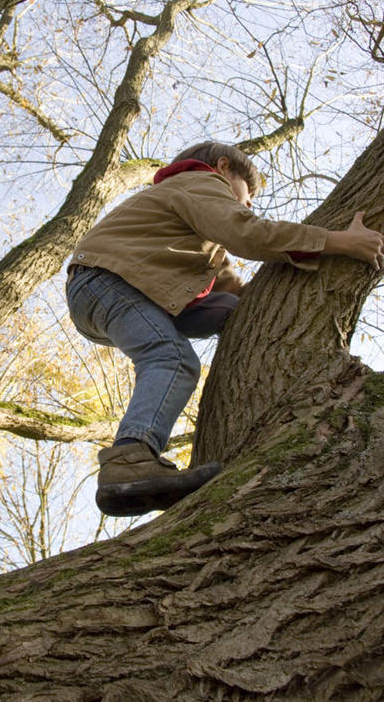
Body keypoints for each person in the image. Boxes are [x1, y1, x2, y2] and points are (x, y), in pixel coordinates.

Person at [66, 141, 384, 517]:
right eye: (247, 194)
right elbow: (245, 231)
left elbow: (228, 284)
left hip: (126, 290)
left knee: (233, 310)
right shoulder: (199, 182)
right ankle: (130, 457)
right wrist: (336, 242)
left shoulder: (194, 231)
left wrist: (257, 304)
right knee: (173, 359)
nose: (248, 204)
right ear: (222, 167)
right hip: (109, 281)